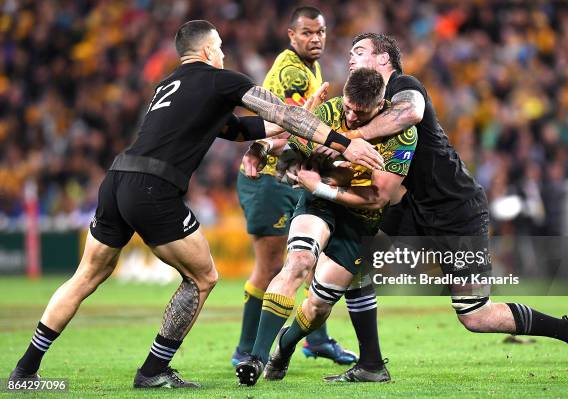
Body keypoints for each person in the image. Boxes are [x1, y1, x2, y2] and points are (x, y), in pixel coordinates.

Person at [7, 20, 384, 389]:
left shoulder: (167, 85)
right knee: (203, 278)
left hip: (117, 179)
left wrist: (301, 115)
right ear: (206, 50)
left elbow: (238, 129)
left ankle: (25, 372)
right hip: (153, 187)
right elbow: (281, 114)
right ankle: (154, 369)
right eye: (219, 46)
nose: (222, 52)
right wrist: (344, 142)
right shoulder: (222, 79)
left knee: (85, 276)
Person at [331, 32, 568, 382]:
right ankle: (370, 364)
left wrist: (349, 141)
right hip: (416, 207)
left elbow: (412, 112)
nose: (351, 58)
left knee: (474, 315)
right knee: (356, 252)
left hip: (456, 209)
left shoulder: (404, 84)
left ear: (384, 59)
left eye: (359, 51)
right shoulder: (363, 105)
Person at [235, 68, 415, 386]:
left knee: (317, 306)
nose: (351, 117)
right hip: (319, 204)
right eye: (348, 108)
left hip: (360, 219)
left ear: (380, 106)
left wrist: (321, 186)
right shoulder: (330, 111)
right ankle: (256, 358)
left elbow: (377, 199)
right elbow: (293, 143)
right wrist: (261, 147)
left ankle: (283, 349)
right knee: (299, 261)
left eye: (360, 113)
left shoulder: (402, 134)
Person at [233, 6, 356, 368]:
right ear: (291, 35)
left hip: (288, 174)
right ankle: (245, 348)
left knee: (306, 258)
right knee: (272, 264)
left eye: (320, 32)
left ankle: (315, 340)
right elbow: (288, 124)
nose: (315, 39)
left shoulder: (308, 67)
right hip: (270, 177)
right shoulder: (293, 73)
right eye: (306, 33)